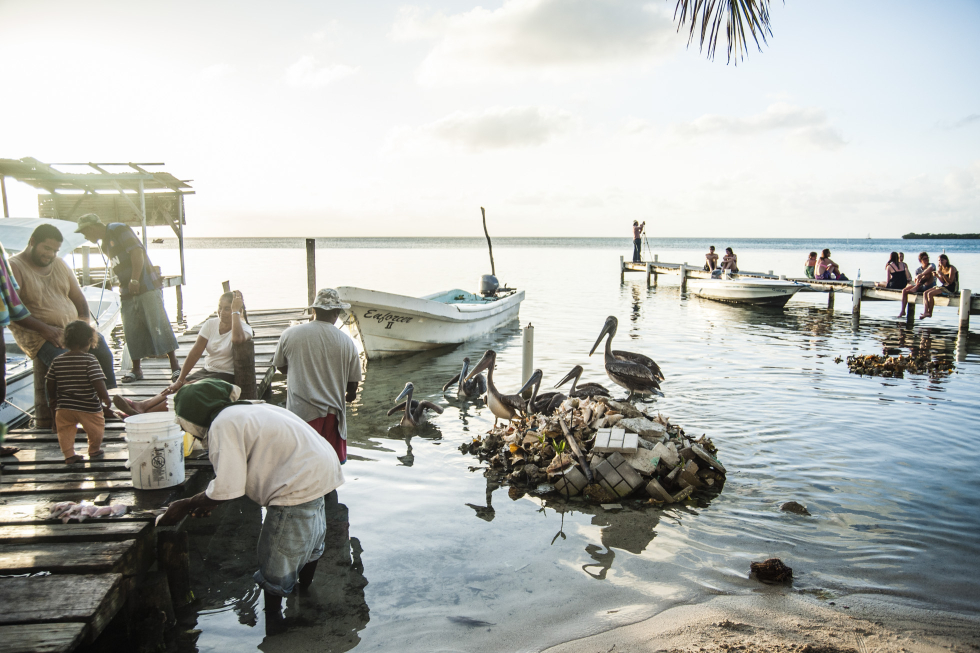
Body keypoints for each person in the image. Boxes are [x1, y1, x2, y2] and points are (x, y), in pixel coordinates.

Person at [156, 379, 344, 631]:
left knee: (277, 552)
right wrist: (211, 500)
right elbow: (234, 476)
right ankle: (305, 592)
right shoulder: (250, 408)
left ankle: (275, 621)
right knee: (311, 539)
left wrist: (183, 505)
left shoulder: (222, 424)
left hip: (298, 481)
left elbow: (227, 486)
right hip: (320, 469)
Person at [7, 224, 116, 389]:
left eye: (55, 251)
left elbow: (78, 297)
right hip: (39, 335)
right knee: (68, 364)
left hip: (70, 329)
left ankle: (104, 401)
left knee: (102, 352)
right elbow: (13, 309)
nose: (50, 254)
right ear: (33, 241)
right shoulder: (14, 266)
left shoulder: (59, 263)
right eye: (47, 248)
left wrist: (85, 323)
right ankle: (71, 409)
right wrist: (46, 330)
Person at [74, 214, 179, 383]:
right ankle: (136, 369)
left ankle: (175, 367)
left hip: (145, 286)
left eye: (84, 232)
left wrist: (135, 279)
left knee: (158, 324)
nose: (85, 236)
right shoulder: (104, 244)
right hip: (127, 291)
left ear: (91, 227)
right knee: (131, 329)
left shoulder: (117, 229)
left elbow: (137, 251)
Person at [113, 291, 252, 415]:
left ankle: (145, 413)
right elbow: (194, 354)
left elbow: (237, 339)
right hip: (208, 370)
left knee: (187, 390)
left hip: (225, 376)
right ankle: (143, 405)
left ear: (237, 311)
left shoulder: (245, 329)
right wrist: (180, 379)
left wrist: (235, 312)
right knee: (178, 386)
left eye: (227, 309)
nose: (221, 312)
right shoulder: (211, 324)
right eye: (220, 308)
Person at [272, 288, 361, 464]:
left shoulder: (290, 334)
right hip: (332, 417)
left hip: (301, 415)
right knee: (330, 470)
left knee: (301, 468)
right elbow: (352, 388)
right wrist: (349, 394)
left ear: (314, 310)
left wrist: (301, 371)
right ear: (336, 313)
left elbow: (281, 367)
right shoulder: (347, 343)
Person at [45, 321, 114, 464]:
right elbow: (98, 381)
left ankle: (69, 454)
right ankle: (94, 449)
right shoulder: (90, 359)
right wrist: (105, 397)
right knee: (96, 428)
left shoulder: (57, 360)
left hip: (64, 406)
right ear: (90, 340)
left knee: (65, 431)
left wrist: (53, 398)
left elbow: (50, 381)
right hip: (88, 406)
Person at [898, 252, 936, 318]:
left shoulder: (932, 265)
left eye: (927, 258)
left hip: (930, 286)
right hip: (920, 286)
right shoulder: (918, 270)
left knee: (927, 273)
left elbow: (931, 268)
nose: (927, 260)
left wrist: (921, 275)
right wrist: (917, 280)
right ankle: (903, 310)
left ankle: (916, 288)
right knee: (904, 290)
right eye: (924, 259)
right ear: (920, 261)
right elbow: (916, 280)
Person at [920, 254, 959, 319]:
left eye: (942, 260)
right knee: (925, 293)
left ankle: (930, 313)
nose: (940, 262)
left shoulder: (951, 268)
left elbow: (950, 282)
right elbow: (943, 282)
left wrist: (943, 275)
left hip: (951, 288)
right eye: (939, 260)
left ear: (946, 260)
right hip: (944, 286)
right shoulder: (941, 268)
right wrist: (937, 276)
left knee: (930, 294)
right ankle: (926, 311)